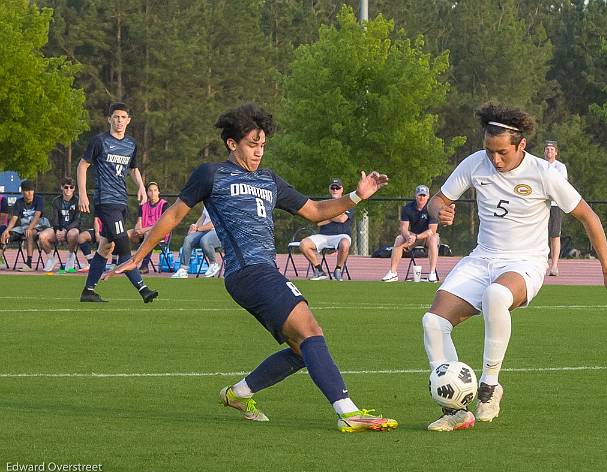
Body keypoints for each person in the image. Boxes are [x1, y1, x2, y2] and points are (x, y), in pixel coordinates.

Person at [109, 103, 398, 432]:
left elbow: (316, 210)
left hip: (264, 272)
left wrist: (356, 196)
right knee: (311, 332)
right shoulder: (211, 174)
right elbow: (174, 215)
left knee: (304, 350)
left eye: (263, 145)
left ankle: (238, 393)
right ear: (232, 144)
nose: (259, 151)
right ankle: (348, 412)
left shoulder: (269, 179)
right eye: (252, 144)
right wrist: (139, 254)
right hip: (247, 272)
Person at [421, 103, 607, 431]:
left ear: (521, 145)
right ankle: (455, 408)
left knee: (496, 296)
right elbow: (437, 201)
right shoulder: (475, 163)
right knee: (432, 322)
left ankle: (489, 386)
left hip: (525, 262)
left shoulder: (543, 173)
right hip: (482, 257)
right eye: (489, 151)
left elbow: (588, 216)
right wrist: (438, 212)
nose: (495, 160)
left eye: (502, 152)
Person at [77, 102, 157, 303]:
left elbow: (134, 168)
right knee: (122, 244)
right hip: (106, 201)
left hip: (121, 202)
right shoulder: (99, 141)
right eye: (116, 117)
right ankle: (143, 289)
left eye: (123, 117)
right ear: (109, 119)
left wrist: (140, 186)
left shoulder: (131, 144)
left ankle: (88, 291)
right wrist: (83, 194)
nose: (119, 121)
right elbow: (82, 165)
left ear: (128, 120)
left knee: (105, 247)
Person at [381, 185, 439, 283]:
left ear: (428, 196)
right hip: (413, 237)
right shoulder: (408, 208)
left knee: (433, 238)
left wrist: (417, 237)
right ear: (416, 196)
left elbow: (432, 230)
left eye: (424, 195)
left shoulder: (432, 209)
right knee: (399, 239)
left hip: (426, 237)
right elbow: (403, 228)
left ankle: (432, 273)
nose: (421, 198)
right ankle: (393, 273)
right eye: (420, 195)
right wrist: (408, 236)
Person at [299, 178, 354, 281]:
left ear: (342, 189)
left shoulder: (348, 202)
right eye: (333, 187)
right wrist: (334, 216)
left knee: (345, 244)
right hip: (324, 235)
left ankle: (337, 271)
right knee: (303, 244)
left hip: (341, 235)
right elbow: (318, 222)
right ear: (329, 189)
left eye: (337, 187)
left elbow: (342, 219)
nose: (335, 190)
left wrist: (326, 216)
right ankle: (319, 271)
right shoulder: (324, 203)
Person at [0, 180, 52, 272]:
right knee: (5, 234)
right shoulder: (19, 202)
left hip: (39, 225)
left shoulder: (39, 199)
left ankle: (28, 263)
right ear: (22, 192)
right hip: (24, 227)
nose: (29, 193)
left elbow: (37, 216)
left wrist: (30, 228)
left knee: (29, 233)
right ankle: (1, 259)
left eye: (31, 190)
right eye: (26, 190)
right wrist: (7, 230)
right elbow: (14, 219)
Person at [37, 177, 84, 272]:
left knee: (73, 233)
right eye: (66, 187)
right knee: (42, 236)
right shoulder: (56, 201)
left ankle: (71, 256)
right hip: (59, 229)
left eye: (71, 187)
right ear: (62, 187)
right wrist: (58, 230)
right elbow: (55, 218)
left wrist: (66, 230)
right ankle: (51, 258)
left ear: (74, 188)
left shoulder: (78, 201)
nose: (68, 189)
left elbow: (77, 220)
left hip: (71, 229)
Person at [128, 181, 169, 274]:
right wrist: (137, 229)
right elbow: (139, 221)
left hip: (160, 234)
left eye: (155, 190)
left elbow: (161, 224)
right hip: (143, 233)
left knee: (148, 233)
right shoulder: (143, 206)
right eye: (150, 190)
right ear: (147, 192)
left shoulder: (164, 205)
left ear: (159, 192)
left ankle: (144, 265)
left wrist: (143, 230)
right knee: (127, 234)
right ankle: (124, 261)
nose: (153, 193)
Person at [170, 206, 222, 278]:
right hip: (205, 231)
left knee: (205, 240)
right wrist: (194, 226)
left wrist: (198, 228)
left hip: (219, 232)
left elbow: (214, 223)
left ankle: (213, 264)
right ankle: (183, 270)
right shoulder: (207, 202)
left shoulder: (221, 202)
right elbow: (202, 217)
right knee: (188, 239)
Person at [544, 140, 568, 276]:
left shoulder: (560, 167)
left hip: (555, 205)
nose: (549, 152)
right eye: (547, 149)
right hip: (541, 204)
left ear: (556, 152)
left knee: (555, 235)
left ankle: (554, 265)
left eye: (552, 150)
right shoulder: (539, 165)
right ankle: (541, 263)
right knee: (539, 235)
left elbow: (560, 184)